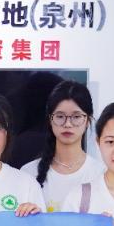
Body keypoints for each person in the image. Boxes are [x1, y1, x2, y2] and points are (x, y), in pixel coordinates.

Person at [20, 80, 104, 212]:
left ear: (87, 121)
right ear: (50, 120)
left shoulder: (101, 174)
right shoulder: (28, 173)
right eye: (60, 116)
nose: (68, 124)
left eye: (76, 117)